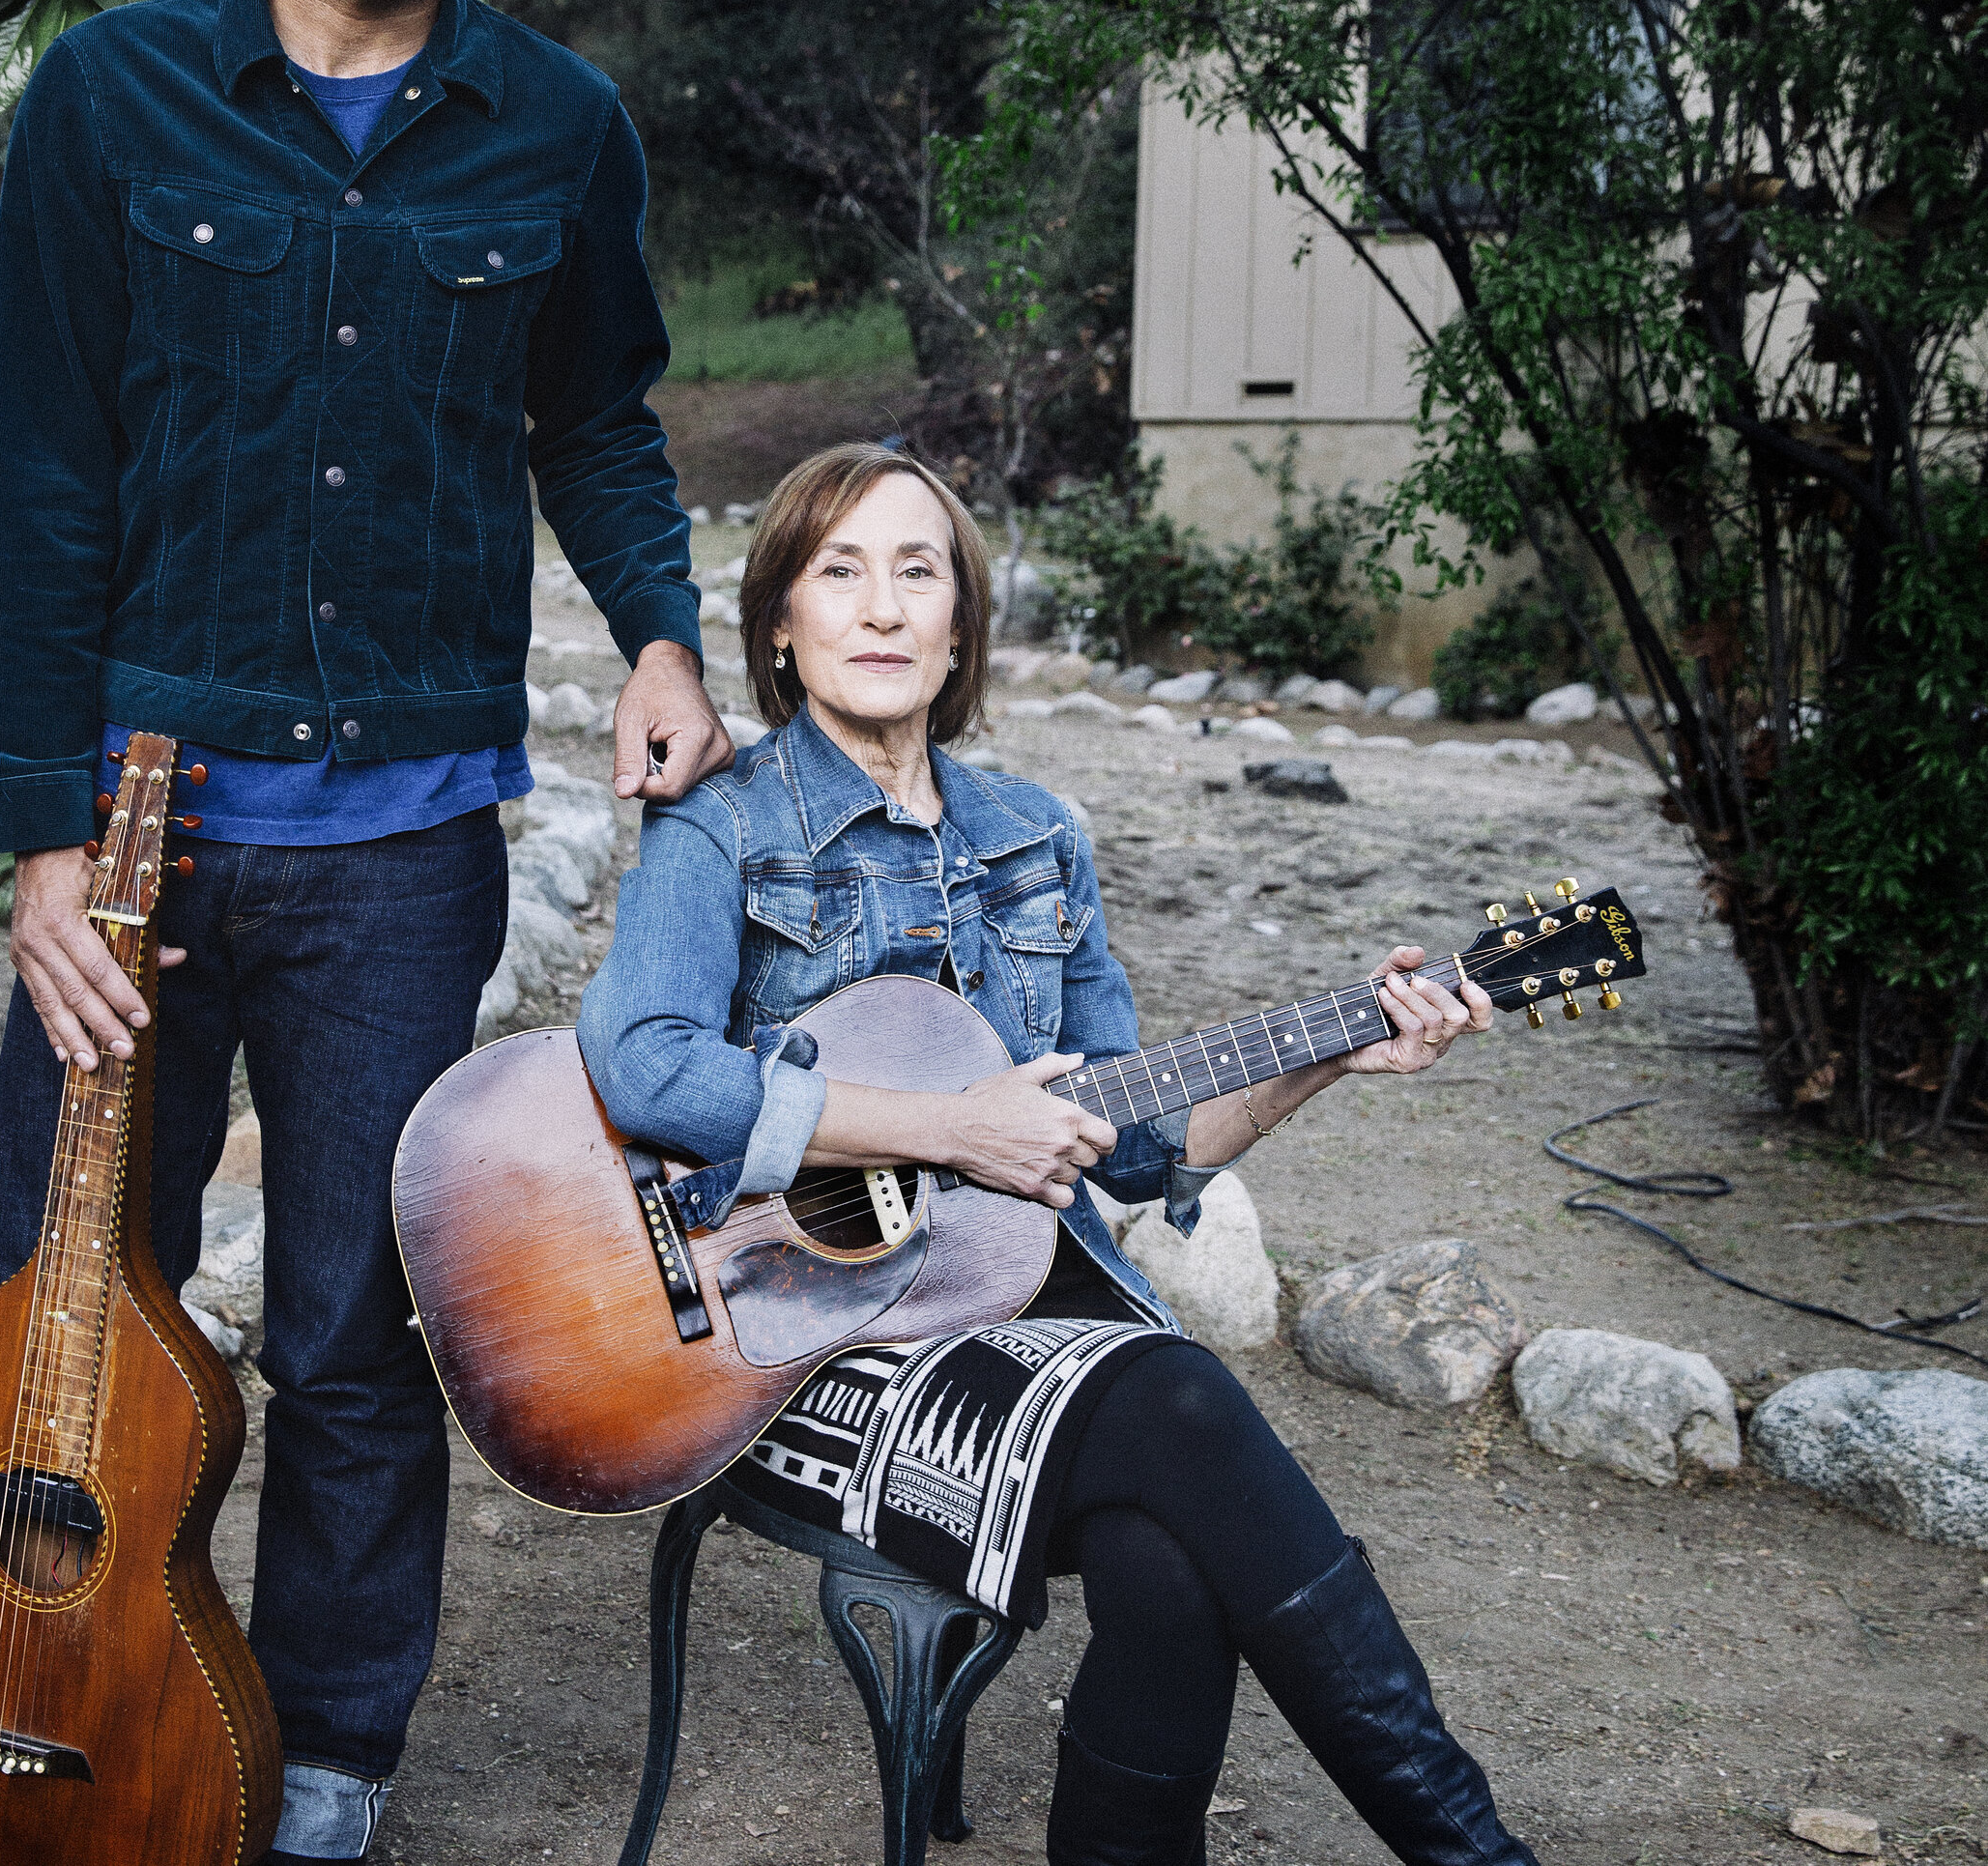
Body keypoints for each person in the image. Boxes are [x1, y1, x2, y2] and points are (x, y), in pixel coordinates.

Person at [0, 0, 731, 1863]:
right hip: (135, 825)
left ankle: (321, 1755)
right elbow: (42, 484)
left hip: (407, 848)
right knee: (66, 1310)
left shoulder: (556, 131)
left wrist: (666, 637)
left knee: (350, 1328)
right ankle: (86, 1683)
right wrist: (32, 840)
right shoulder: (103, 104)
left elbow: (592, 418)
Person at [578, 445, 1539, 1866]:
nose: (884, 607)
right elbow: (644, 1063)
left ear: (962, 621)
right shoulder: (719, 830)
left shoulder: (1035, 838)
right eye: (840, 571)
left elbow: (1139, 1144)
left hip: (1014, 1314)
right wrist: (949, 1126)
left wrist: (1336, 1051)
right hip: (783, 1342)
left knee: (1167, 1558)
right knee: (1187, 1407)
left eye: (920, 571)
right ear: (779, 621)